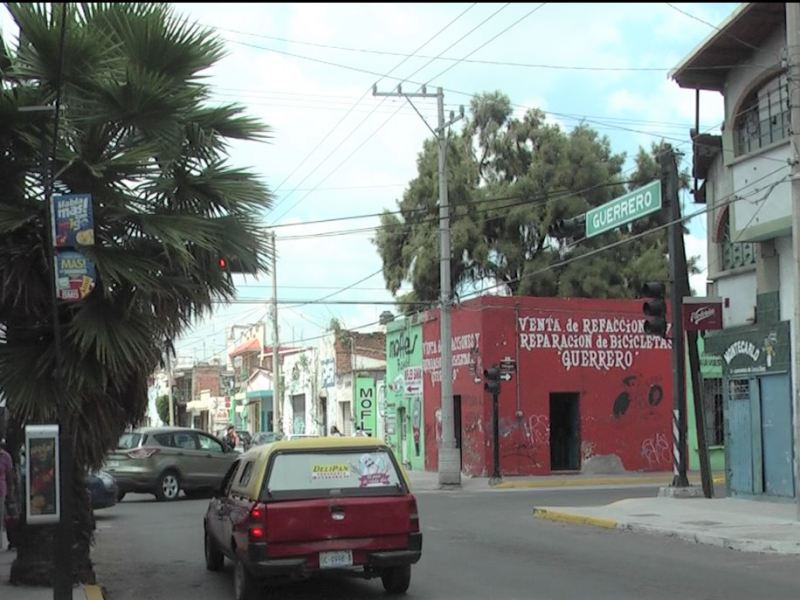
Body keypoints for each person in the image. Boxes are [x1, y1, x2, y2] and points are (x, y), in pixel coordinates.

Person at [0, 439, 14, 552]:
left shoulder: (5, 457)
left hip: (1, 492)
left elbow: (10, 478)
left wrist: (11, 495)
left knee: (1, 519)